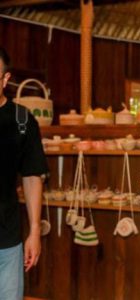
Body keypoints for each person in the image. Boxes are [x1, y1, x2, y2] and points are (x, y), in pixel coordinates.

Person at [0, 47, 48, 300]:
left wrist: (34, 231)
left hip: (7, 240)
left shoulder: (22, 119)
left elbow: (32, 177)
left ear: (5, 79)